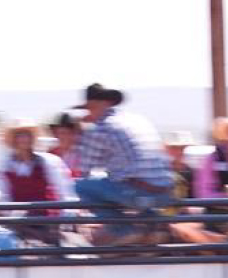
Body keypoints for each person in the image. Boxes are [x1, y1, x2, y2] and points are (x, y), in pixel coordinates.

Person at [71, 83, 173, 236]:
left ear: (93, 105)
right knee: (118, 180)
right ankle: (150, 225)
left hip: (138, 193)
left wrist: (83, 134)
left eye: (89, 107)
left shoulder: (100, 127)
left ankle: (122, 230)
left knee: (82, 186)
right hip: (165, 193)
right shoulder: (137, 120)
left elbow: (85, 170)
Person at [0, 120, 74, 243]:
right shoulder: (5, 165)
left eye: (27, 135)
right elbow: (4, 195)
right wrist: (10, 216)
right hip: (19, 219)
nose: (23, 139)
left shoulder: (48, 161)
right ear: (13, 140)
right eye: (19, 135)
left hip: (45, 216)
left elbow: (63, 189)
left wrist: (67, 215)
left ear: (32, 138)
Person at [47, 112, 85, 178]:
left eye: (70, 133)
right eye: (62, 133)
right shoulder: (50, 155)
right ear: (55, 134)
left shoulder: (83, 153)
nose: (65, 136)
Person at [162, 131, 197, 201]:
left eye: (182, 148)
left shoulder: (191, 172)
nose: (179, 152)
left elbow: (195, 196)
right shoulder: (158, 171)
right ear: (166, 149)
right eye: (174, 148)